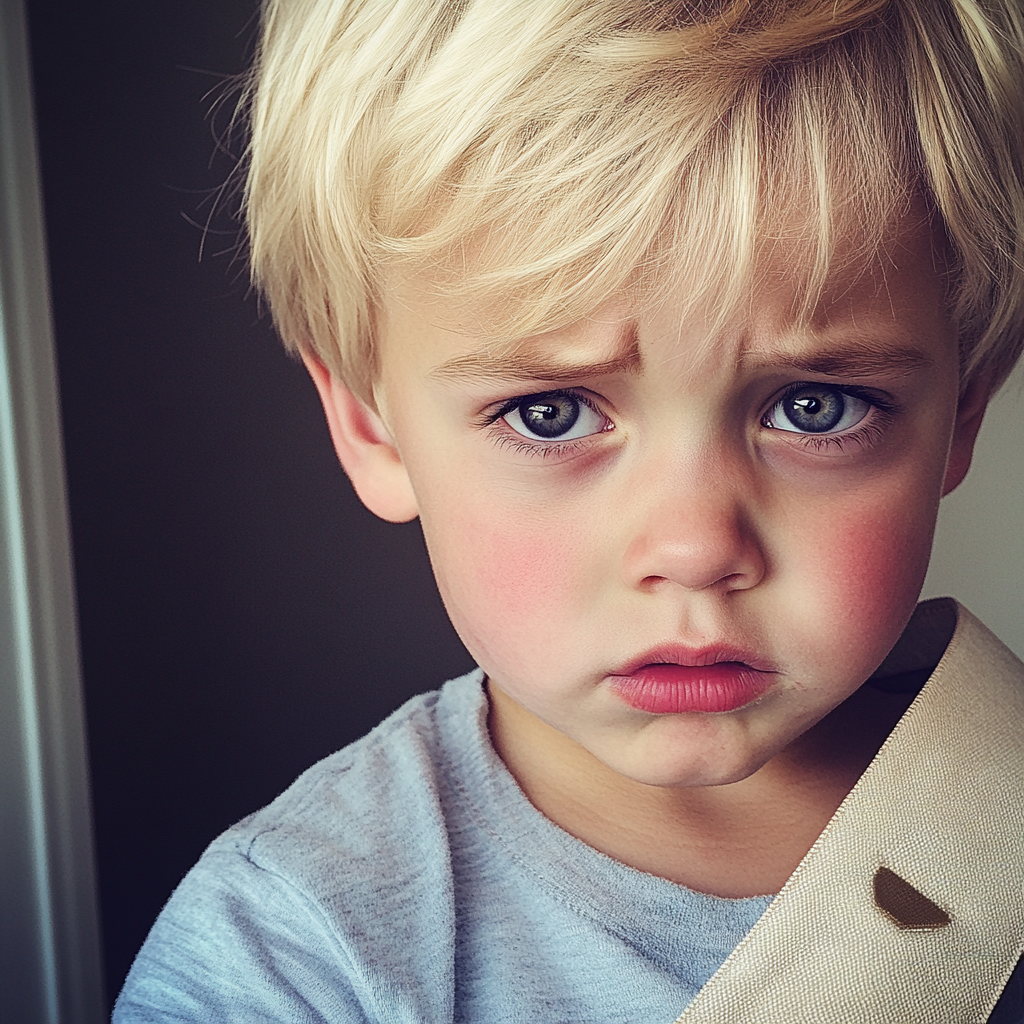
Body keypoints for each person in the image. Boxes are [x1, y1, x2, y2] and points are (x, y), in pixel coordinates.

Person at [113, 1, 1024, 1020]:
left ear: (961, 410)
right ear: (374, 427)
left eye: (813, 407)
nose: (691, 549)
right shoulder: (292, 952)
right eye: (549, 414)